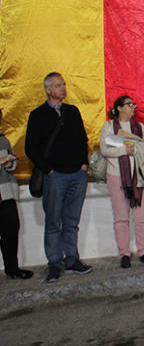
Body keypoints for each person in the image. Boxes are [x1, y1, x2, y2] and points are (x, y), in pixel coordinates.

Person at [25, 72, 91, 283]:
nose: (62, 88)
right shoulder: (37, 115)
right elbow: (31, 148)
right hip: (55, 177)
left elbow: (83, 139)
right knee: (54, 221)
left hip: (77, 175)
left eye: (63, 84)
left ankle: (72, 259)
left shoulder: (72, 112)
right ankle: (55, 262)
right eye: (57, 85)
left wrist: (84, 165)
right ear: (48, 89)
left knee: (72, 221)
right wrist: (48, 170)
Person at [99, 96, 144, 268]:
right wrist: (125, 149)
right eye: (129, 104)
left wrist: (138, 148)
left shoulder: (140, 127)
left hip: (138, 176)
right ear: (119, 108)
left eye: (134, 104)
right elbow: (104, 149)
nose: (133, 107)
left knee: (141, 217)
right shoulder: (109, 126)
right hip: (117, 174)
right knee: (121, 217)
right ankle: (124, 253)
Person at [0, 109, 33, 279]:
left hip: (5, 192)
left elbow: (11, 157)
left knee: (11, 229)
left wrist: (10, 163)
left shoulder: (2, 138)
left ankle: (12, 268)